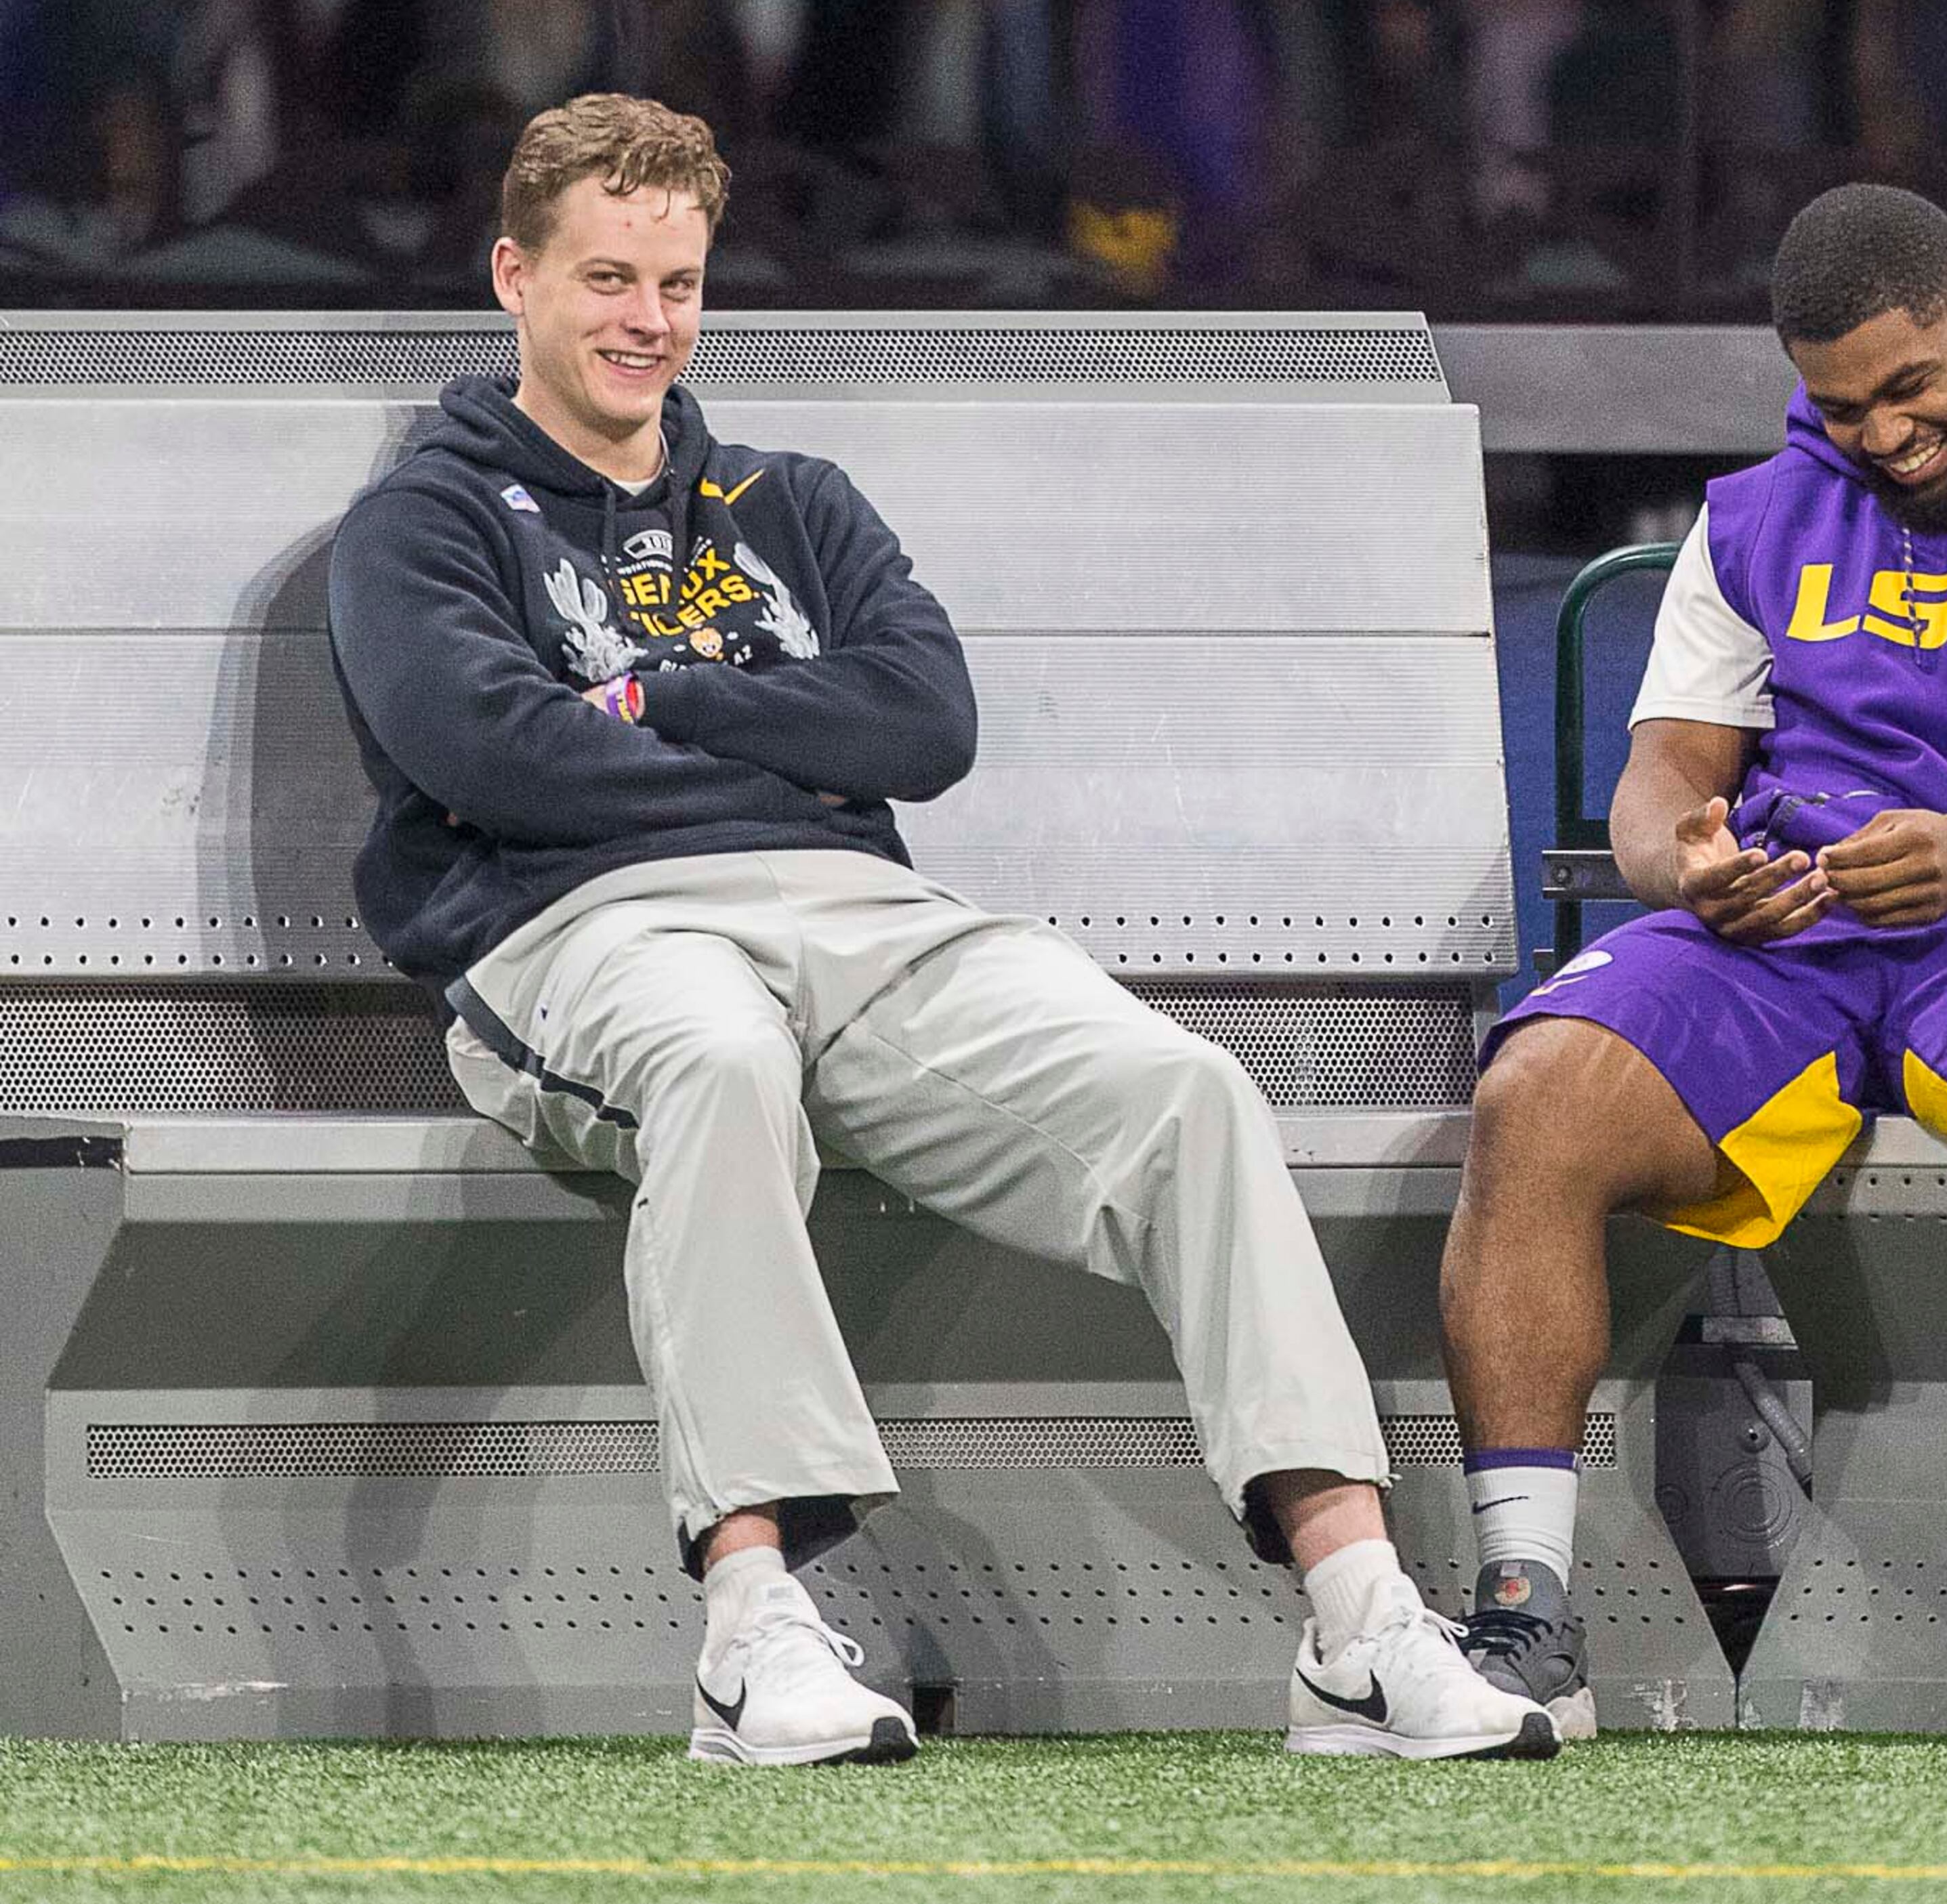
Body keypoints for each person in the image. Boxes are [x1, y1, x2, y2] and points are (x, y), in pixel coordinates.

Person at [327, 91, 1556, 1773]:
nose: (648, 321)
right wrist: (770, 734)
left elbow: (924, 721)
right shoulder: (428, 517)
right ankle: (753, 1634)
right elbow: (486, 752)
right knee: (716, 1056)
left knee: (1184, 1091)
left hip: (867, 917)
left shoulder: (791, 498)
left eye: (679, 283)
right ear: (513, 276)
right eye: (608, 278)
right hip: (584, 930)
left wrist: (662, 695)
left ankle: (1357, 1620)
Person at [1439, 179, 1947, 1749]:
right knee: (1535, 1089)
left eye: (1907, 388)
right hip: (1795, 919)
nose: (1881, 433)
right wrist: (1678, 858)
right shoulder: (1756, 512)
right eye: (1840, 408)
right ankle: (1521, 1616)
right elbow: (1660, 777)